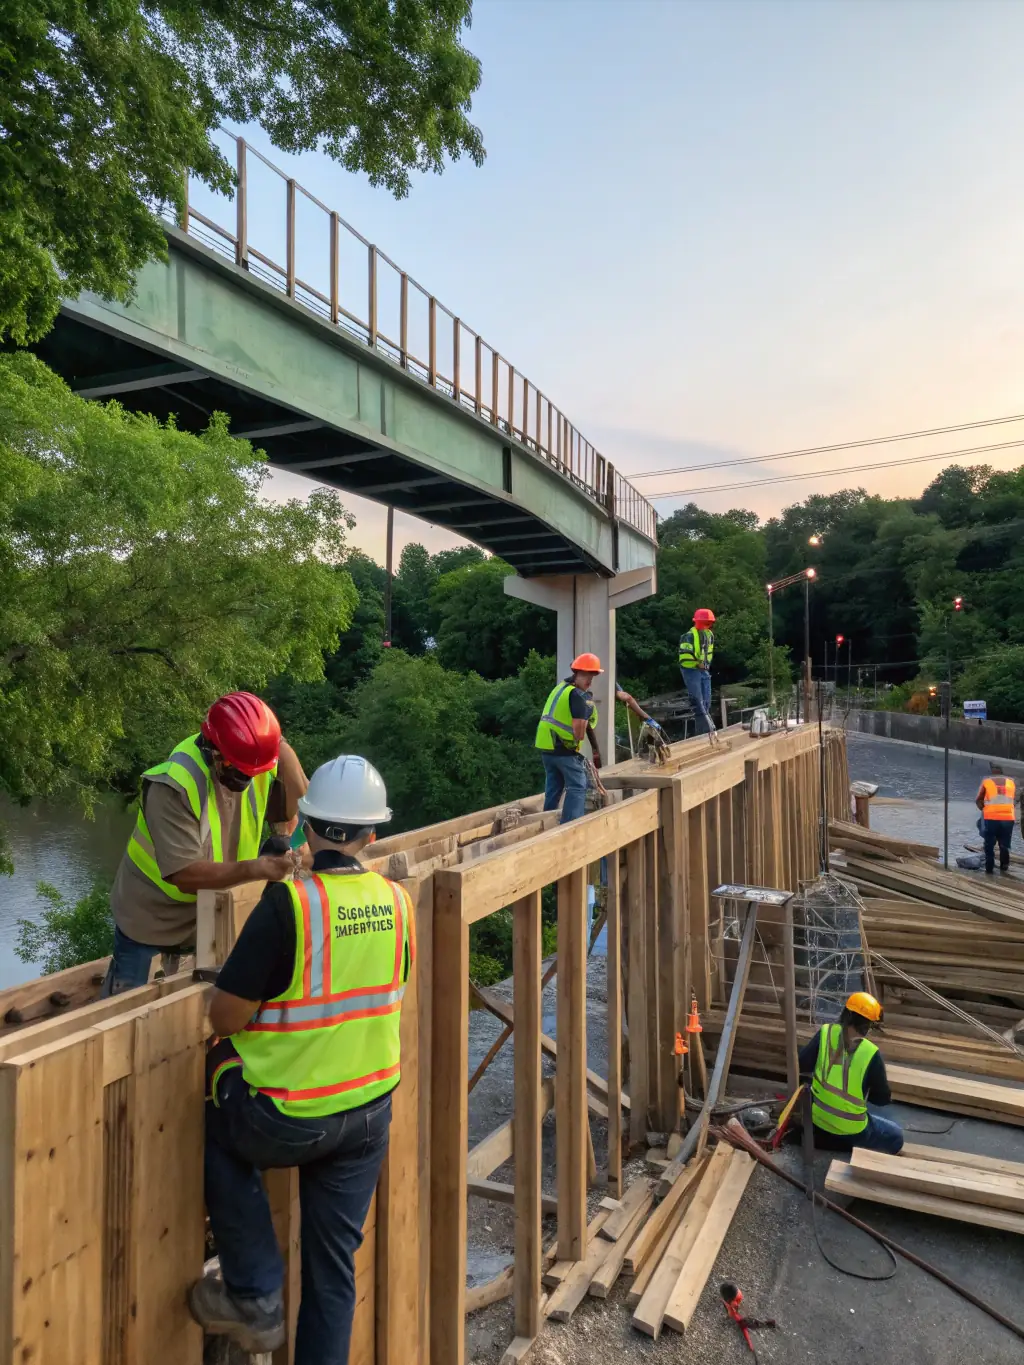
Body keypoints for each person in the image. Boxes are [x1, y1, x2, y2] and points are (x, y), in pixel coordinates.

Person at [189, 754, 413, 1361]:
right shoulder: (397, 903)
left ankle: (256, 1292)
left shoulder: (290, 905)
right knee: (333, 1273)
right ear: (372, 834)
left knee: (217, 1113)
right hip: (367, 1116)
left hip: (284, 1119)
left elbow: (226, 1017)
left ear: (305, 826)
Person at [105, 692, 308, 996]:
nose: (247, 779)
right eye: (237, 771)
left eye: (254, 772)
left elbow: (302, 813)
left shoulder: (263, 756)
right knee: (129, 1019)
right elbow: (186, 875)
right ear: (213, 748)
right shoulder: (174, 785)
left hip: (216, 915)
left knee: (210, 1009)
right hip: (152, 919)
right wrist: (258, 868)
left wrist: (288, 840)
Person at [798, 991, 903, 1156]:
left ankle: (827, 1141)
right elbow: (882, 1099)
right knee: (896, 1136)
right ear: (869, 1025)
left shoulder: (825, 1033)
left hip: (818, 1123)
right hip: (853, 1132)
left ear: (845, 1013)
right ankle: (849, 1145)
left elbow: (802, 1064)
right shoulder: (870, 1053)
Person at [535, 653, 605, 824]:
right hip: (563, 749)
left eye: (592, 676)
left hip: (547, 748)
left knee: (554, 788)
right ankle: (570, 826)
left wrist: (596, 752)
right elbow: (579, 734)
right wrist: (587, 713)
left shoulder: (561, 689)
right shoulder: (578, 696)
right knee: (578, 785)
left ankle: (545, 825)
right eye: (586, 676)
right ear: (577, 673)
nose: (589, 680)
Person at [975, 764, 1017, 875]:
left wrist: (984, 810)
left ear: (991, 773)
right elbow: (1014, 799)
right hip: (1008, 818)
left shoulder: (987, 782)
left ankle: (989, 870)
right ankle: (1004, 867)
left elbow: (978, 800)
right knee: (1004, 844)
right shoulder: (1011, 783)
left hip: (992, 817)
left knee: (989, 844)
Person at [679, 608, 716, 733]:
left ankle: (705, 730)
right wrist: (697, 664)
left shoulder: (709, 635)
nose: (709, 625)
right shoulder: (688, 636)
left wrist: (706, 665)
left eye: (710, 622)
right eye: (706, 622)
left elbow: (708, 653)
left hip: (704, 670)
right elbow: (684, 657)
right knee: (698, 701)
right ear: (698, 621)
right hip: (691, 671)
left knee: (706, 701)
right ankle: (705, 731)